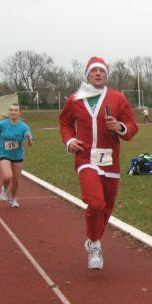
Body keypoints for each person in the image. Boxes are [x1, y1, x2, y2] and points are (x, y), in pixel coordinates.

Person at [59, 56, 138, 270]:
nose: (98, 73)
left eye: (101, 71)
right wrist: (70, 141)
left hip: (110, 161)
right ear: (87, 74)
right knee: (96, 203)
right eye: (94, 70)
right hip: (86, 158)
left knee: (107, 208)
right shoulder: (75, 100)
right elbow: (64, 123)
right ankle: (95, 244)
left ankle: (92, 238)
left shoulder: (117, 99)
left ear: (106, 75)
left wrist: (120, 127)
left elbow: (132, 127)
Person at [0, 104, 33, 208]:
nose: (13, 112)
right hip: (4, 153)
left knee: (16, 180)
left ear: (20, 113)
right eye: (11, 110)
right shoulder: (2, 124)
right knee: (8, 175)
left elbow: (30, 144)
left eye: (15, 110)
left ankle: (13, 199)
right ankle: (4, 189)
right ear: (9, 112)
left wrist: (29, 139)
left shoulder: (24, 127)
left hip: (18, 155)